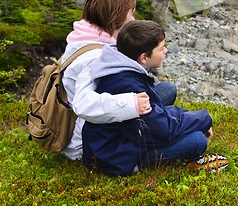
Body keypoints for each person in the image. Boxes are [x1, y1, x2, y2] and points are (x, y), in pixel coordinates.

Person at [82, 20, 229, 176]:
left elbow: (156, 112)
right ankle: (162, 162)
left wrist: (189, 117)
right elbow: (162, 131)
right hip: (114, 156)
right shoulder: (129, 86)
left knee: (167, 91)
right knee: (197, 140)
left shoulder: (123, 66)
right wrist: (203, 119)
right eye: (161, 48)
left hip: (114, 138)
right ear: (144, 58)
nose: (165, 51)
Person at [60, 0, 177, 160]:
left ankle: (159, 125)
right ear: (117, 20)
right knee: (194, 141)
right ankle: (148, 141)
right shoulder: (95, 57)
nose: (134, 19)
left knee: (167, 89)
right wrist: (132, 104)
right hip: (89, 142)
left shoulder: (81, 38)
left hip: (87, 124)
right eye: (131, 15)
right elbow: (83, 103)